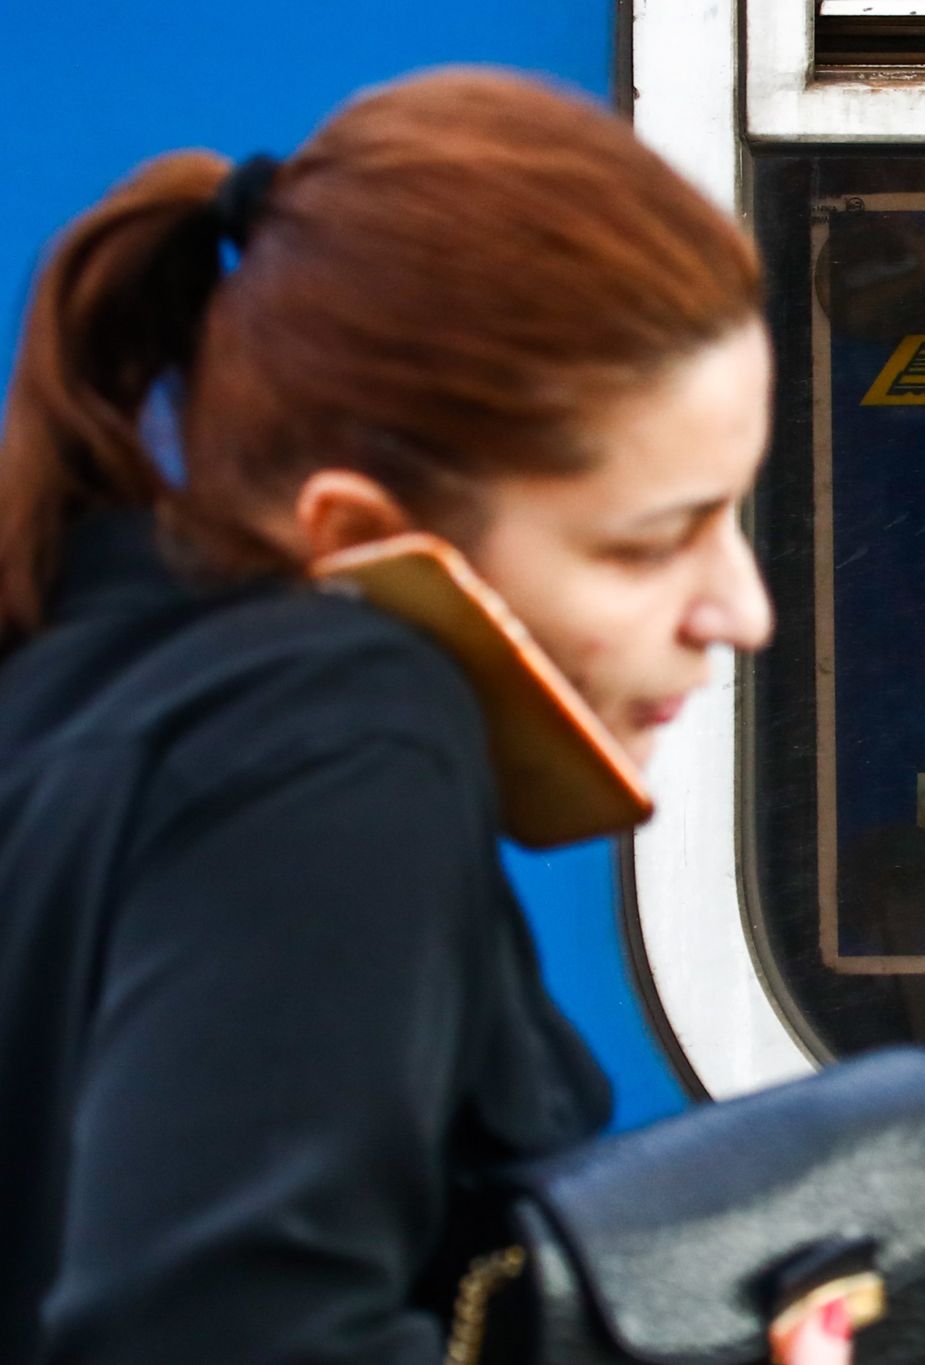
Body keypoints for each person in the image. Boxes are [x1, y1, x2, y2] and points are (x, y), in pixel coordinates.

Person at [0, 69, 774, 1364]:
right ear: (361, 535)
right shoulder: (346, 733)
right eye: (651, 543)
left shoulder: (75, 682)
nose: (740, 610)